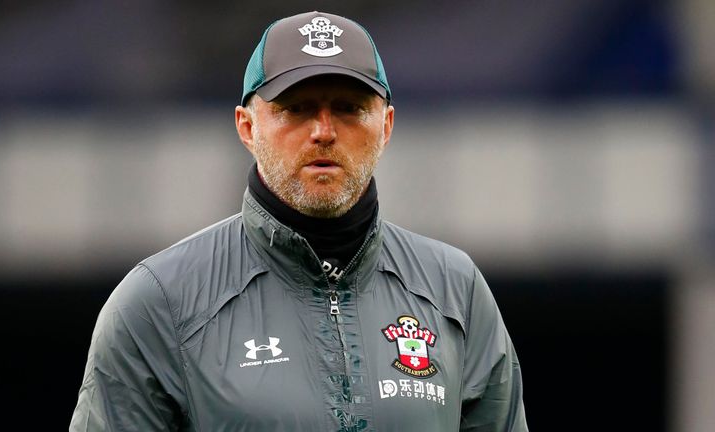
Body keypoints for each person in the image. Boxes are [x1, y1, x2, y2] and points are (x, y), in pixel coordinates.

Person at [70, 11, 528, 431]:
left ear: (385, 126)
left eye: (349, 108)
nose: (323, 131)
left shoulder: (455, 291)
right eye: (296, 108)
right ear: (247, 127)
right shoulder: (159, 303)